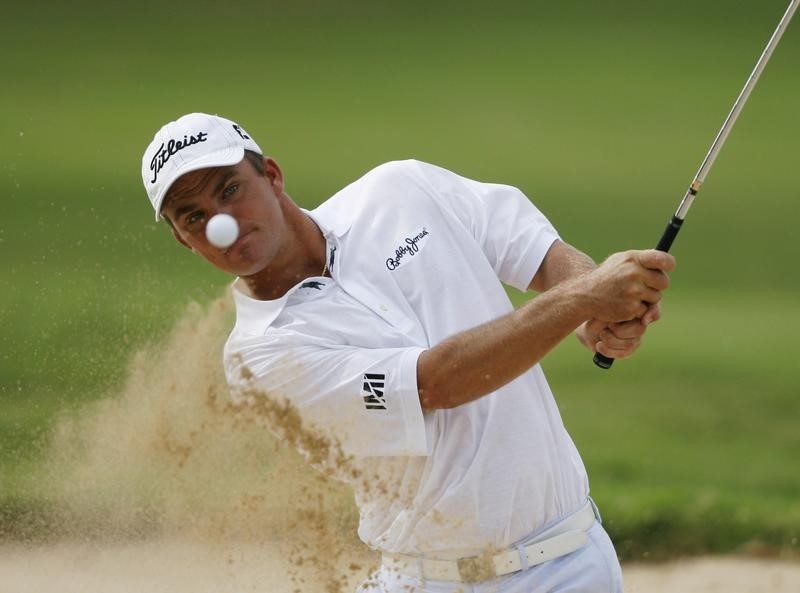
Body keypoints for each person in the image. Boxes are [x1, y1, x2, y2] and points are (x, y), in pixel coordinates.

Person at [141, 112, 675, 593]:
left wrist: (592, 313)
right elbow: (434, 384)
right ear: (185, 241)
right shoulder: (259, 359)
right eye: (192, 217)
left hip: (567, 566)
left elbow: (535, 251)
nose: (220, 223)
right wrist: (583, 298)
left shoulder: (400, 190)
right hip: (428, 581)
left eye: (230, 188)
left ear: (273, 176)